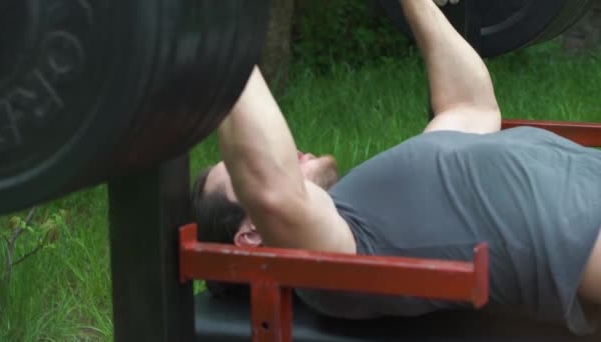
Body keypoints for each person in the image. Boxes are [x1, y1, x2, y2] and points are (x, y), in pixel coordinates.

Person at [190, 0, 601, 336]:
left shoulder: (371, 198)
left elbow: (470, 107)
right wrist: (218, 37)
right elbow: (275, 194)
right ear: (253, 234)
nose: (286, 151)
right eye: (242, 168)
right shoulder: (336, 259)